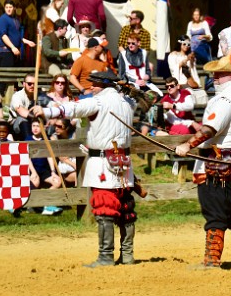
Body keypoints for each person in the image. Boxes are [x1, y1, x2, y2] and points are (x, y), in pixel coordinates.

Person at [32, 70, 145, 267]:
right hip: (123, 161)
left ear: (103, 85)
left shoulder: (98, 101)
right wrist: (132, 90)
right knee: (126, 207)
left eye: (94, 84)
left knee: (104, 208)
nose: (90, 87)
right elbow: (148, 99)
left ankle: (105, 257)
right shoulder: (128, 102)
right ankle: (127, 255)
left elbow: (73, 108)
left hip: (103, 162)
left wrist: (46, 112)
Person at [173, 55, 231, 269]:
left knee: (215, 211)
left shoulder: (226, 99)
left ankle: (211, 261)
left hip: (222, 166)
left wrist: (187, 146)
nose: (214, 78)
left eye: (219, 74)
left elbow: (210, 128)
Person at [25, 119, 63, 215]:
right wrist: (33, 172)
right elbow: (27, 158)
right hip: (32, 170)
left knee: (57, 181)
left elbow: (49, 156)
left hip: (44, 170)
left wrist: (53, 171)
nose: (35, 128)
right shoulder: (28, 140)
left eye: (38, 126)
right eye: (33, 126)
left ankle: (45, 203)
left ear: (43, 128)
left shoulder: (46, 140)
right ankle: (33, 205)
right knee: (35, 183)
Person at [0, 0, 36, 67]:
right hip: (6, 52)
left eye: (10, 7)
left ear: (14, 8)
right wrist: (12, 47)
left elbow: (17, 36)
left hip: (15, 52)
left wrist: (28, 42)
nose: (8, 9)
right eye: (6, 7)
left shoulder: (16, 19)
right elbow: (3, 36)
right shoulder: (3, 19)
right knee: (7, 75)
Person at [9, 73, 37, 140]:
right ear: (24, 84)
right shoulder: (17, 96)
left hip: (34, 122)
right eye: (29, 84)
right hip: (16, 123)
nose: (32, 86)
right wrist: (36, 118)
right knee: (23, 120)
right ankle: (29, 142)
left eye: (34, 84)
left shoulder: (39, 95)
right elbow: (21, 111)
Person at [50, 118, 77, 187]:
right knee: (78, 175)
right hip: (65, 167)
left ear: (67, 128)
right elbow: (61, 157)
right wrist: (73, 165)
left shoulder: (74, 136)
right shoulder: (54, 138)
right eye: (55, 126)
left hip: (74, 162)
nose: (56, 128)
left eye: (60, 126)